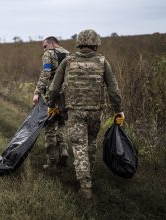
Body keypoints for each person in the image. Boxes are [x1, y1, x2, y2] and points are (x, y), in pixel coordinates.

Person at [46, 29, 125, 199]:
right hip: (96, 112)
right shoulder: (103, 62)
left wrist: (50, 105)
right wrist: (119, 110)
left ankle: (85, 186)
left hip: (75, 111)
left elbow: (54, 88)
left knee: (79, 145)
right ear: (96, 43)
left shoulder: (68, 62)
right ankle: (88, 177)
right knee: (91, 143)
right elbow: (113, 89)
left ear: (79, 43)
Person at [32, 36, 70, 171]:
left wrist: (37, 92)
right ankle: (64, 150)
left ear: (53, 44)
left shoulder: (48, 54)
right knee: (61, 124)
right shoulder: (68, 54)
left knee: (49, 127)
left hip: (52, 95)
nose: (44, 49)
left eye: (45, 46)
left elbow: (46, 73)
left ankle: (52, 161)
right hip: (66, 96)